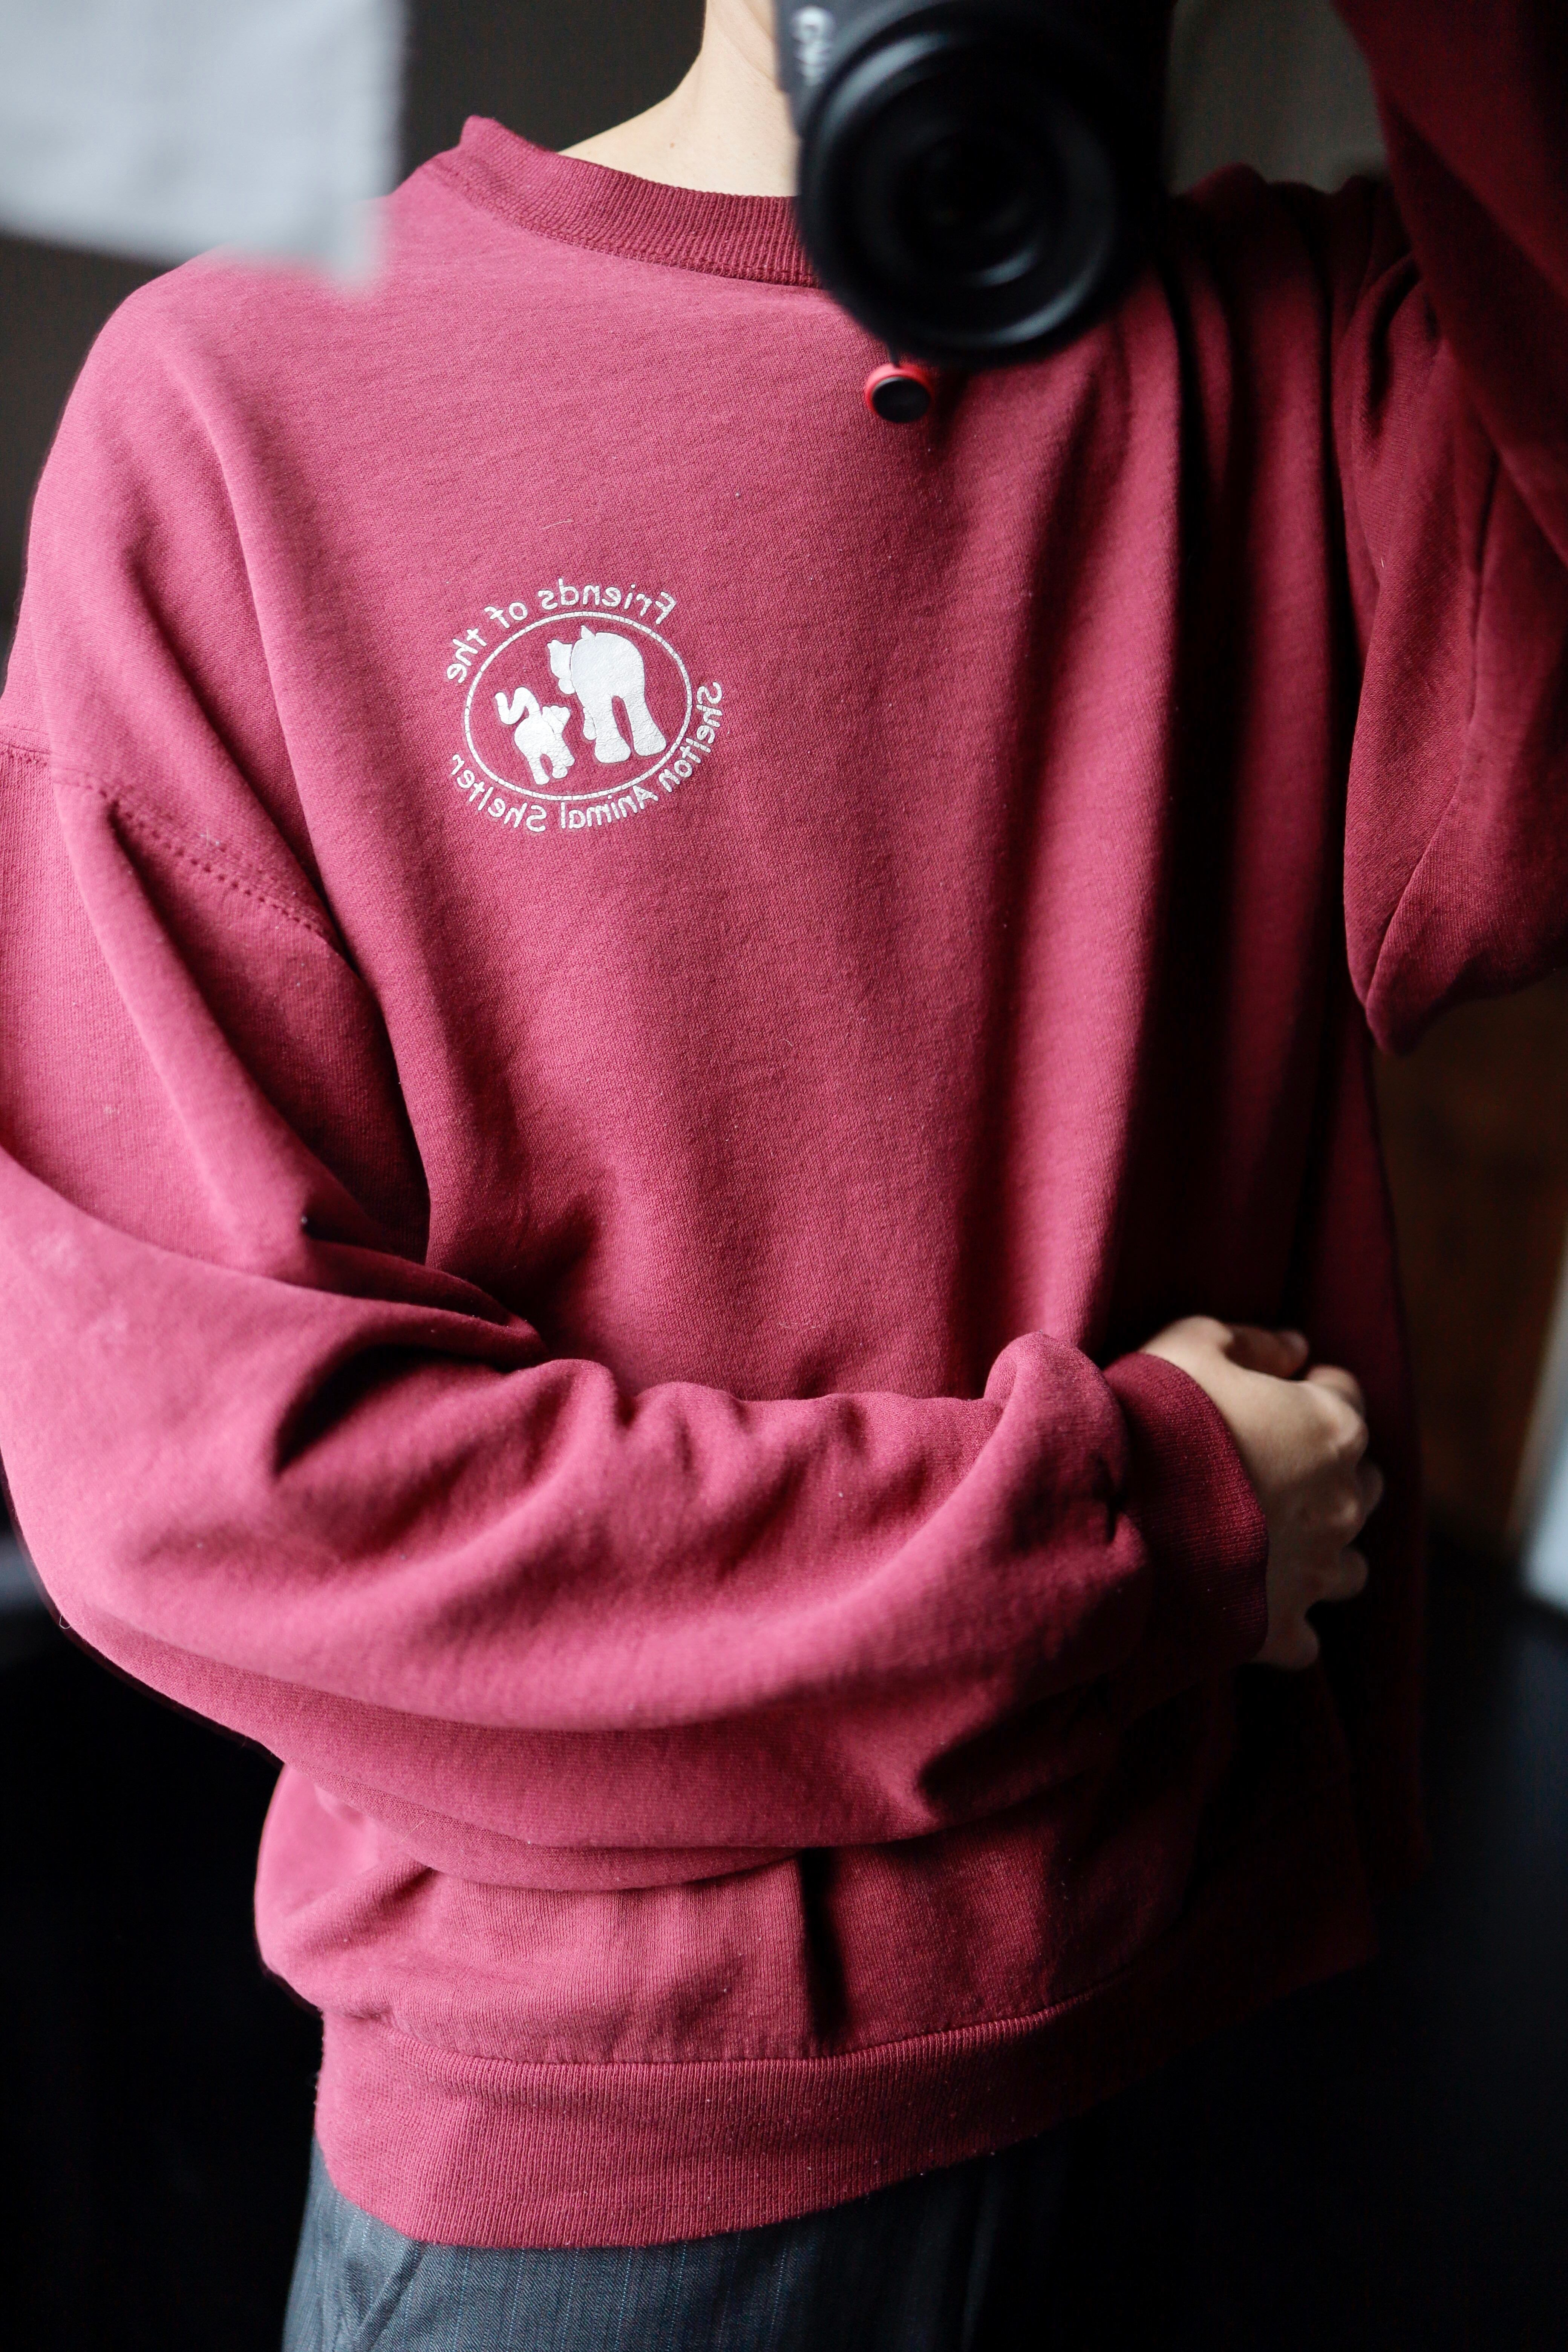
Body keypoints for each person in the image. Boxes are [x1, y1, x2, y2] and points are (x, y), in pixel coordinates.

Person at [0, 0, 1562, 2343]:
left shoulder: (1314, 368)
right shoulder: (247, 403)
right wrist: (1127, 1535)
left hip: (1213, 2045)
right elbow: (218, 1486)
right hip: (622, 2182)